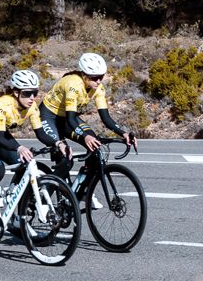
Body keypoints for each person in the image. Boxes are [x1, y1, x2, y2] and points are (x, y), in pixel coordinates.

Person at [0, 69, 72, 226]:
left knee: (25, 164)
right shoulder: (2, 104)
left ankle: (15, 215)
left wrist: (58, 143)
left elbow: (41, 133)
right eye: (27, 93)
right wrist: (19, 147)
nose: (32, 98)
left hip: (0, 135)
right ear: (15, 92)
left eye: (35, 93)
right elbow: (0, 137)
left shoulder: (32, 107)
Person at [36, 53, 137, 204]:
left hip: (66, 117)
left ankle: (82, 190)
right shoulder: (73, 85)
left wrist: (123, 133)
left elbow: (105, 118)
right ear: (84, 75)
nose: (98, 81)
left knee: (95, 147)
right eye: (94, 77)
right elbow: (71, 119)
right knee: (66, 159)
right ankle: (44, 197)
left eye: (101, 77)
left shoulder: (98, 88)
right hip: (49, 116)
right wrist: (84, 136)